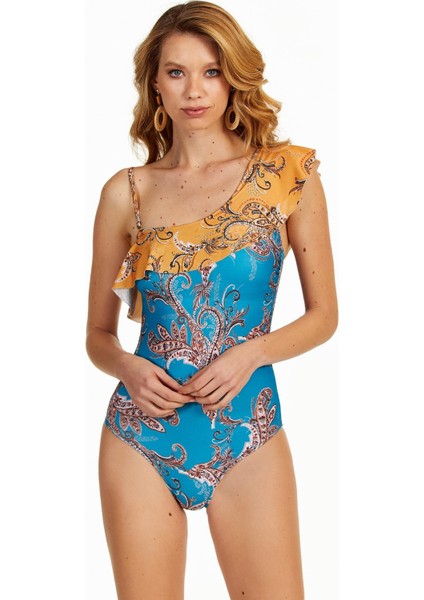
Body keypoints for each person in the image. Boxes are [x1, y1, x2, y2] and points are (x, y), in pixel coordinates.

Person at [86, 1, 338, 598]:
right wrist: (127, 367)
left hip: (249, 429)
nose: (194, 90)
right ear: (155, 83)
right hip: (140, 433)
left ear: (234, 78)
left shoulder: (286, 177)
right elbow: (96, 336)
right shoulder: (127, 193)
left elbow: (325, 315)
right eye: (176, 72)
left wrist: (251, 353)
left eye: (212, 71)